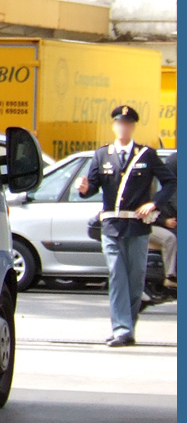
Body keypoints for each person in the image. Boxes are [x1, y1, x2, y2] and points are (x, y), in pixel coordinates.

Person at [74, 106, 176, 347]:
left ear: (133, 127)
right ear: (114, 126)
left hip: (138, 226)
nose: (123, 127)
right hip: (111, 224)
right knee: (117, 274)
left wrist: (154, 204)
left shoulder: (146, 155)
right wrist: (83, 188)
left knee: (135, 279)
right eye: (120, 123)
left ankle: (127, 327)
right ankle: (121, 328)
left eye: (128, 124)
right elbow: (91, 189)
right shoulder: (102, 155)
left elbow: (171, 182)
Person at [149, 151, 176, 288]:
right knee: (170, 238)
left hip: (158, 223)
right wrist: (164, 222)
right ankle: (172, 275)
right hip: (143, 225)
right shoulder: (168, 188)